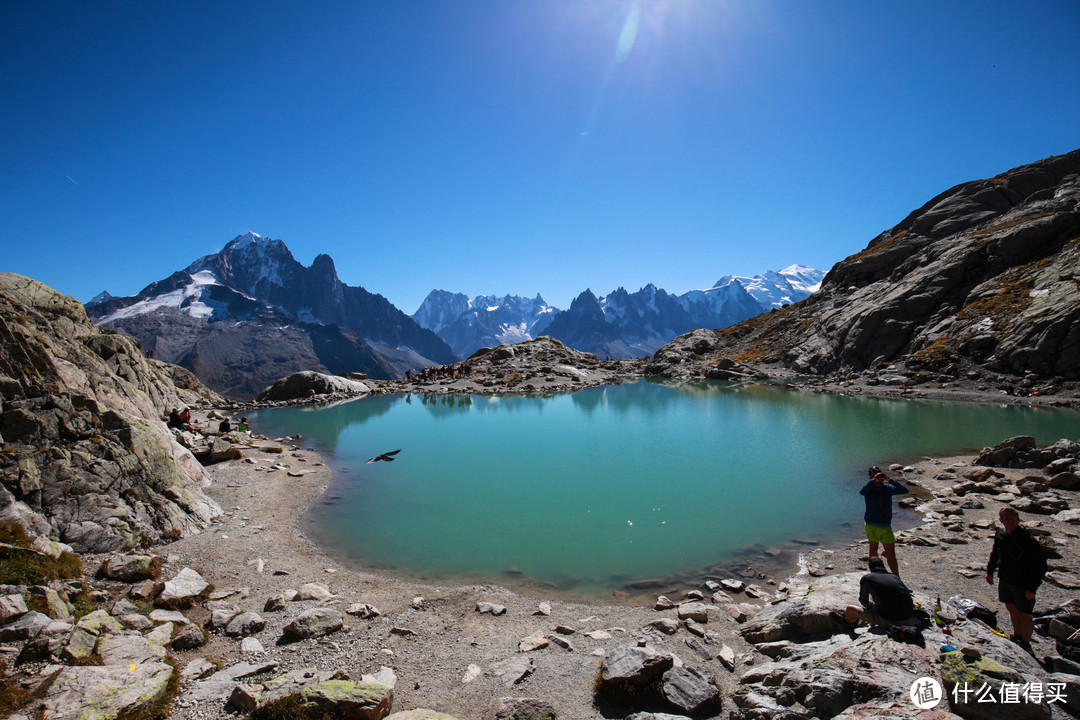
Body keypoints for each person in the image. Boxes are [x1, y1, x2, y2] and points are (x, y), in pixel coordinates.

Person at [985, 506, 1047, 646]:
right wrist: (990, 571)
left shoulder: (1027, 540)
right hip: (1006, 578)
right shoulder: (1000, 534)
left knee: (1024, 613)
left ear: (1018, 520)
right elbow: (995, 554)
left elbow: (1040, 565)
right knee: (1011, 608)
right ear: (1001, 520)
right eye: (1006, 519)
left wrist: (1032, 588)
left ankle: (1025, 642)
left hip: (1023, 582)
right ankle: (1017, 635)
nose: (1010, 522)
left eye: (1012, 519)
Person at [860, 466, 908, 576]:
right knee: (873, 551)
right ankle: (875, 576)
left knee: (890, 553)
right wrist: (872, 482)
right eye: (873, 475)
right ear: (870, 477)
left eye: (878, 475)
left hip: (886, 525)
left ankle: (897, 578)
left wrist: (889, 479)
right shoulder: (869, 489)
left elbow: (904, 490)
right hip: (871, 524)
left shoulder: (888, 489)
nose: (876, 477)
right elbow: (862, 492)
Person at [845, 557, 918, 627]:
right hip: (911, 619)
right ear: (883, 566)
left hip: (889, 621)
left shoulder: (867, 578)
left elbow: (864, 601)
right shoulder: (894, 577)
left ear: (870, 568)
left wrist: (871, 606)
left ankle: (849, 627)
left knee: (850, 609)